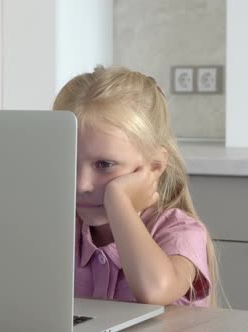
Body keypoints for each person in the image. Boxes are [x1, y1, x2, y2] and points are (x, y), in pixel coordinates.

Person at [53, 65, 218, 307]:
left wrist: (119, 200)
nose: (81, 184)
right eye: (68, 160)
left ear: (154, 167)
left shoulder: (178, 231)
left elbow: (154, 291)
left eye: (104, 164)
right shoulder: (61, 230)